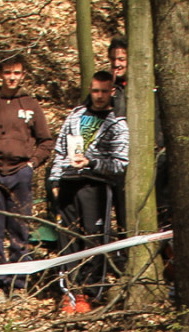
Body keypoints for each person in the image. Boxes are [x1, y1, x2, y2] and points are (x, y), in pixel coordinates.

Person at [0, 56, 53, 301]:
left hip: (20, 172)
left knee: (20, 227)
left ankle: (19, 284)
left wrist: (31, 164)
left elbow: (46, 141)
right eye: (7, 72)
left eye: (16, 73)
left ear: (23, 75)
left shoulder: (30, 104)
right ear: (0, 73)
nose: (12, 77)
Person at [49, 71, 128, 315]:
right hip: (68, 183)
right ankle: (70, 292)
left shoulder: (118, 123)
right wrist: (54, 179)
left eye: (104, 91)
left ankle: (91, 291)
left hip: (96, 186)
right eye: (95, 91)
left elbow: (120, 163)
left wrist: (92, 163)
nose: (99, 96)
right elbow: (60, 151)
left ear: (112, 91)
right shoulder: (75, 116)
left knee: (94, 238)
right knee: (67, 238)